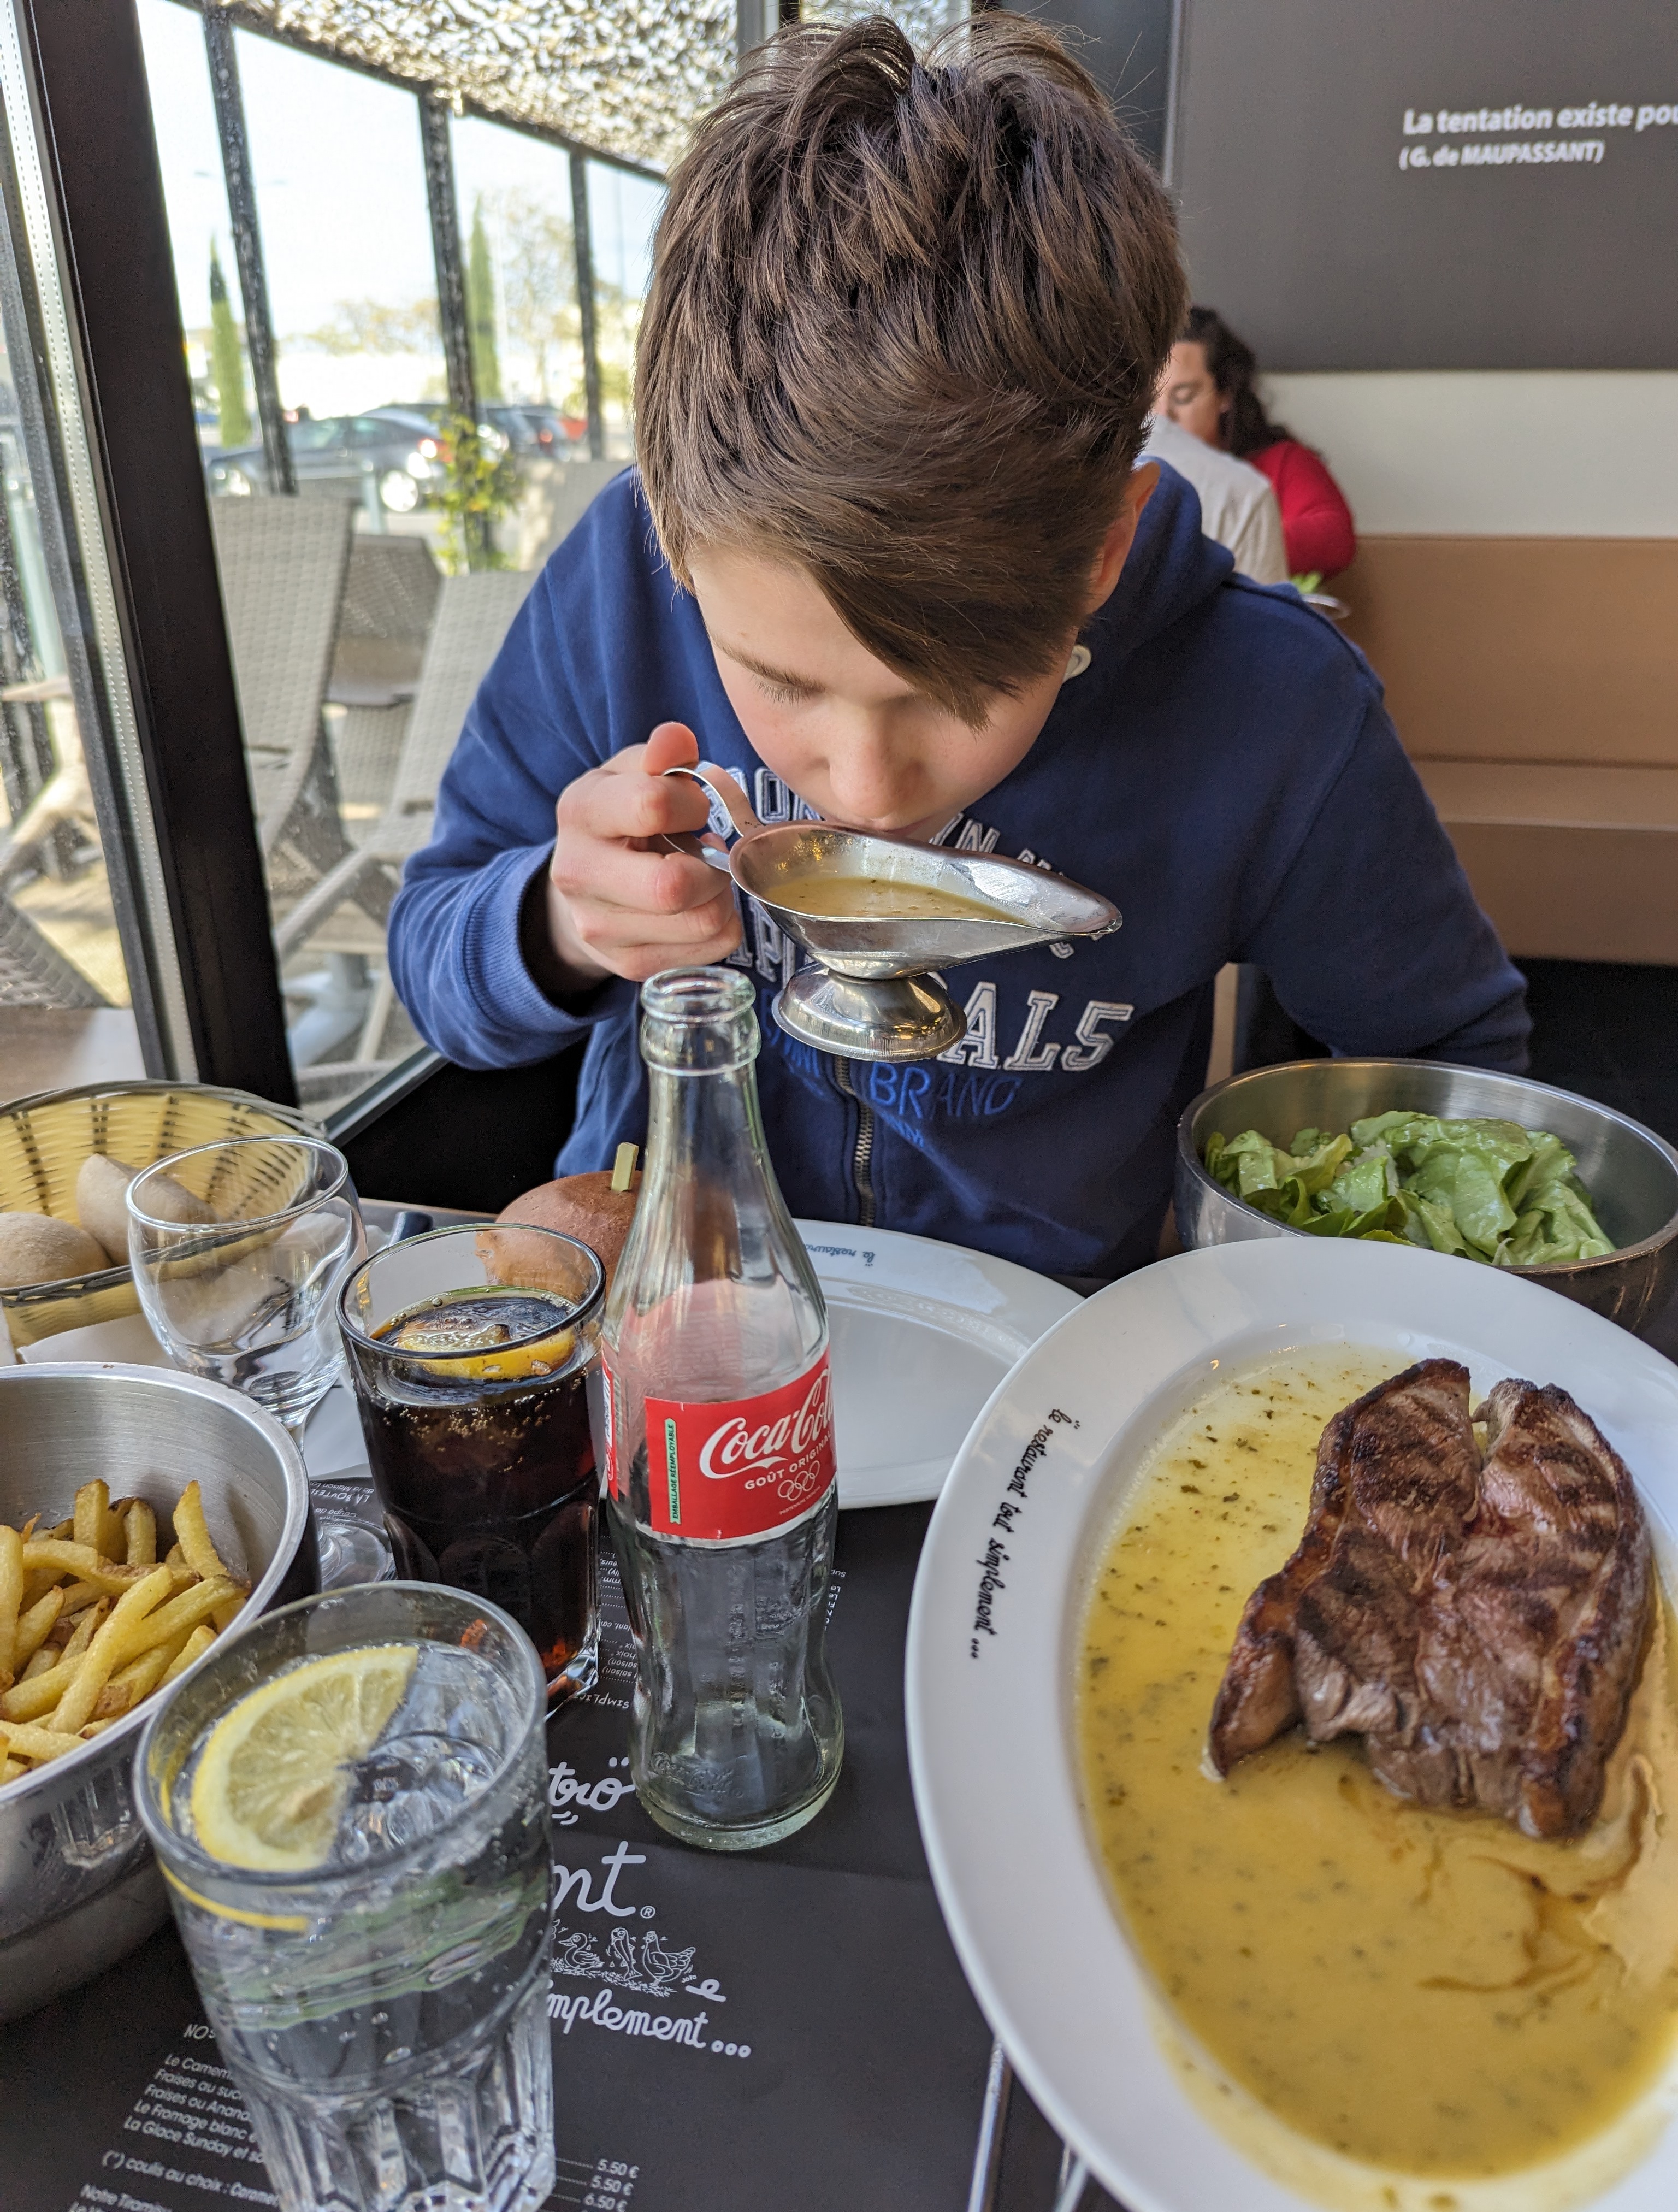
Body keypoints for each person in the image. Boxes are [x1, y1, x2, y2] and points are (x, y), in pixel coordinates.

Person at [389, 18, 1525, 1285]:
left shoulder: (1275, 711)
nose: (866, 791)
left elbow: (1453, 1069)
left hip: (1043, 1334)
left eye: (957, 691)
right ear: (676, 538)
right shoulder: (622, 578)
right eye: (779, 680)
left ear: (1102, 553)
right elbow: (434, 963)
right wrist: (557, 916)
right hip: (675, 1305)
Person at [1156, 306, 1357, 582]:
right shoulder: (1128, 469)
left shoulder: (1279, 463)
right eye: (1151, 398)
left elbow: (1334, 536)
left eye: (1184, 397)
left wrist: (1237, 544)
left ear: (1225, 395)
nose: (1163, 415)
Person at [1139, 412, 1289, 585]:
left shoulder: (1254, 482)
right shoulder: (1247, 493)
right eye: (1157, 402)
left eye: (1184, 399)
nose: (1167, 411)